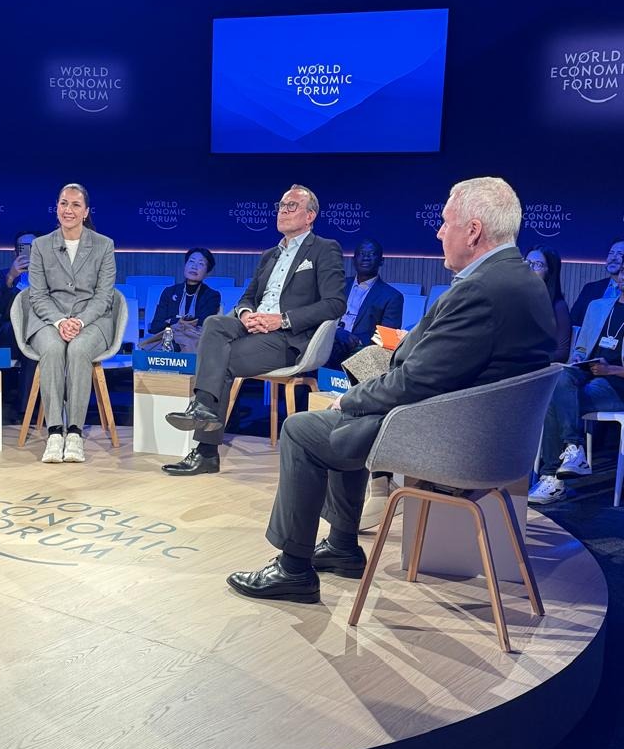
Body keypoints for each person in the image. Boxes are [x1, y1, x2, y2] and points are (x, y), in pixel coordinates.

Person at [226, 177, 555, 605]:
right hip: (488, 436)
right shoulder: (522, 279)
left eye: (445, 223)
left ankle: (293, 569)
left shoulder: (481, 290)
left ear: (473, 231)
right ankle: (342, 547)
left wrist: (350, 398)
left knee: (303, 430)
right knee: (350, 415)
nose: (439, 232)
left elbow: (416, 381)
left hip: (454, 440)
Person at [162, 185, 345, 477]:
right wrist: (247, 315)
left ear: (310, 216)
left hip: (288, 338)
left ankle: (206, 448)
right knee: (215, 323)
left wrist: (281, 320)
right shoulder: (269, 254)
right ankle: (203, 411)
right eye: (281, 205)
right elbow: (247, 297)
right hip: (254, 328)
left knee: (220, 360)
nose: (283, 211)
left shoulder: (324, 249)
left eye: (291, 206)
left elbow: (335, 304)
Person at [25, 183, 116, 464]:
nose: (69, 210)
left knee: (78, 350)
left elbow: (104, 296)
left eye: (76, 205)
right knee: (53, 349)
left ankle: (74, 432)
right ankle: (54, 432)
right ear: (56, 208)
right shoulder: (41, 245)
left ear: (86, 212)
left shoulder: (104, 245)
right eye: (64, 203)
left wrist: (79, 321)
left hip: (92, 320)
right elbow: (37, 295)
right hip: (48, 320)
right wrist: (59, 321)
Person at [528, 246, 624, 505]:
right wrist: (579, 359)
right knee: (559, 376)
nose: (623, 275)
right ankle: (573, 450)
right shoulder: (598, 306)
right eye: (622, 271)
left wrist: (612, 370)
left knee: (555, 399)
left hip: (616, 382)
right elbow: (580, 348)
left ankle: (552, 478)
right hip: (587, 372)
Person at [329, 238, 403, 367]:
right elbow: (321, 315)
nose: (366, 258)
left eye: (372, 254)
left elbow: (386, 337)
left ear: (381, 261)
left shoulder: (392, 296)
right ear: (354, 260)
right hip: (329, 342)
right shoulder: (338, 285)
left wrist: (355, 340)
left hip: (360, 351)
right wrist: (335, 331)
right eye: (361, 254)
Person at [0, 230, 38, 417]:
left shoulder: (48, 276)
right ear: (16, 253)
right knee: (21, 334)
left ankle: (26, 411)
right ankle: (24, 409)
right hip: (10, 335)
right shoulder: (4, 275)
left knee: (34, 344)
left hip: (36, 334)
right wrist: (11, 277)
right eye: (23, 248)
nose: (28, 252)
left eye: (32, 248)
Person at [144, 248, 222, 352]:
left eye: (201, 264)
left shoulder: (211, 296)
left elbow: (204, 325)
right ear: (185, 265)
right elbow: (156, 326)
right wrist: (179, 321)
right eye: (191, 261)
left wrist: (171, 321)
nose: (194, 266)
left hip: (195, 342)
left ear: (207, 272)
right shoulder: (169, 292)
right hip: (168, 338)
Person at [524, 246, 571, 362]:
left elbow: (562, 352)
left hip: (534, 366)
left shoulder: (558, 306)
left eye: (538, 264)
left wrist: (528, 359)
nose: (530, 268)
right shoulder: (513, 297)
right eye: (527, 262)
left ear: (549, 271)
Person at [569, 240, 624, 328]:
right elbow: (574, 320)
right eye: (611, 253)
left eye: (620, 254)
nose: (613, 257)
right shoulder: (590, 288)